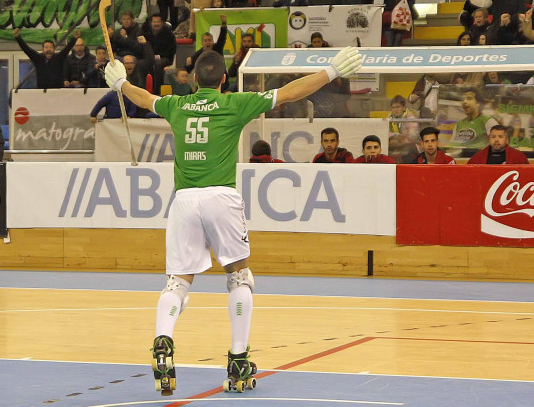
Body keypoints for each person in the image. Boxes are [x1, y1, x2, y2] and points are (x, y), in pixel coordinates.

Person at [103, 46, 363, 394]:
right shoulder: (235, 103)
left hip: (184, 200)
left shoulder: (176, 105)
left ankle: (163, 340)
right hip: (221, 198)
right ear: (223, 79)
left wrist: (120, 82)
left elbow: (143, 96)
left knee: (177, 283)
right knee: (239, 276)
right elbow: (289, 92)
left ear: (194, 79)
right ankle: (239, 360)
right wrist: (330, 72)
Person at [14, 28, 78, 89]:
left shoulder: (59, 58)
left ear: (54, 49)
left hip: (58, 92)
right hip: (42, 92)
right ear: (43, 49)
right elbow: (27, 49)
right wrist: (18, 37)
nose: (48, 49)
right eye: (46, 47)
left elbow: (67, 48)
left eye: (51, 47)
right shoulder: (38, 59)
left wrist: (74, 38)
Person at [449, 87, 498, 154]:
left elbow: (497, 144)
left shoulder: (488, 121)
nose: (464, 102)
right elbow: (452, 147)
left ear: (478, 103)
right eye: (463, 99)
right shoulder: (459, 124)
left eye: (469, 98)